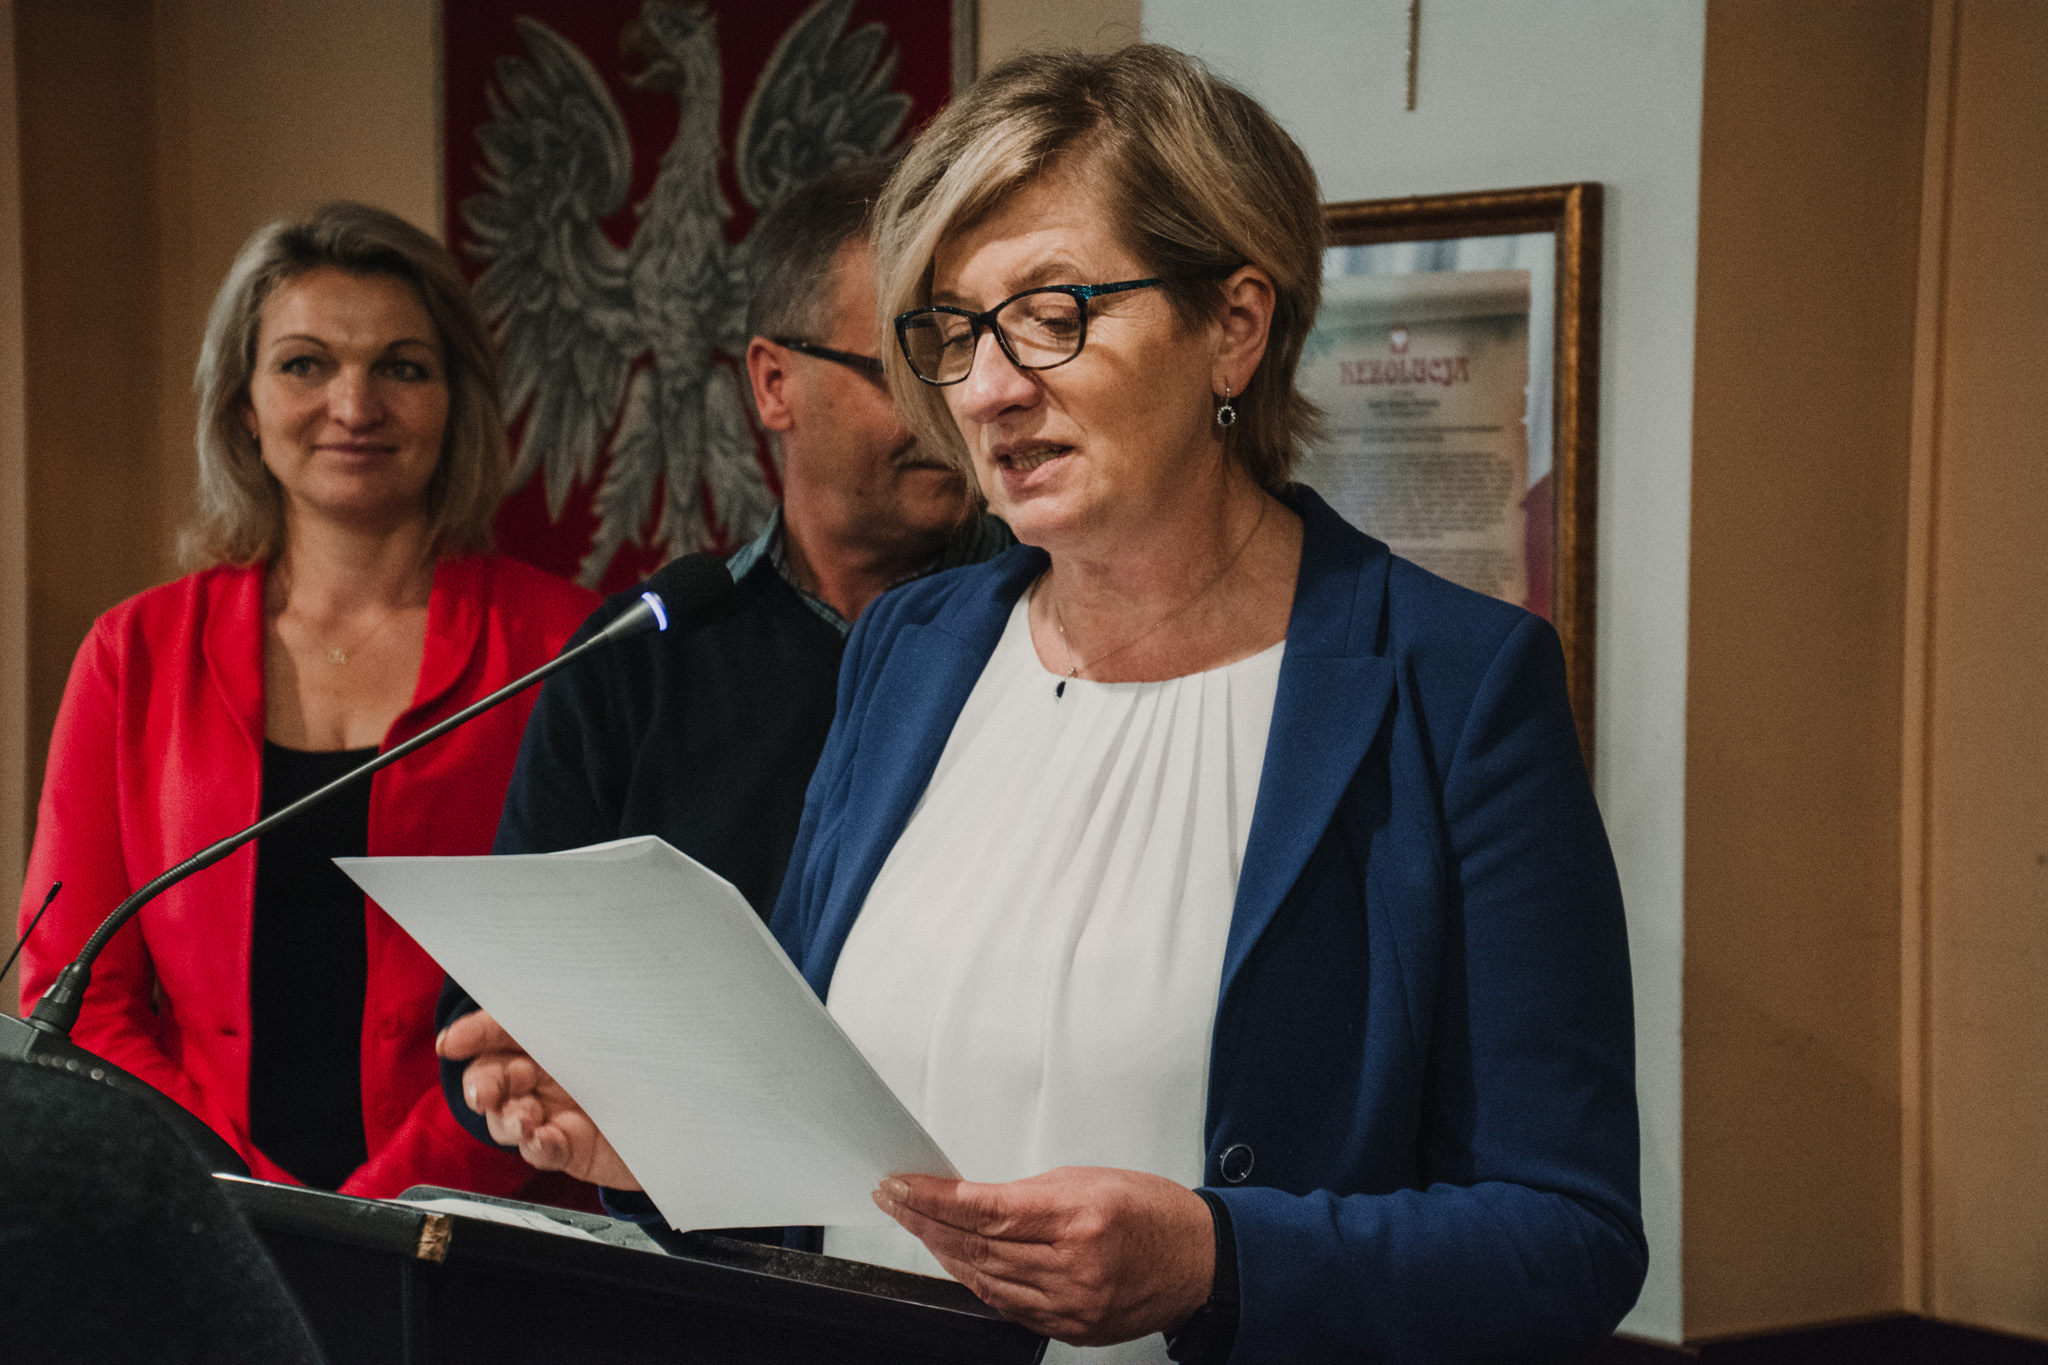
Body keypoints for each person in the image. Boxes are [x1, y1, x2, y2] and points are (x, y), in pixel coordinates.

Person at [458, 47, 1646, 1364]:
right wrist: (661, 1149)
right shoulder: (912, 648)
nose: (986, 387)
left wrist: (1215, 1261)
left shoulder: (1452, 684)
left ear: (1234, 327)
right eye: (953, 331)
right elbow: (820, 1141)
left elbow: (1569, 1235)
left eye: (1051, 312)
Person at [17, 202, 600, 1201]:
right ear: (244, 403)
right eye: (304, 364)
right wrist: (239, 1199)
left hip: (485, 1222)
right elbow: (78, 994)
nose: (354, 404)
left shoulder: (569, 646)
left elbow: (578, 986)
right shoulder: (131, 654)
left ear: (455, 400)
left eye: (402, 367)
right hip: (201, 1217)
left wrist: (371, 1218)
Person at [434, 163, 1007, 1154]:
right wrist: (527, 1073)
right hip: (699, 1216)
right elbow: (489, 1018)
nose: (949, 407)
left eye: (958, 359)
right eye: (899, 370)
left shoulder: (1053, 638)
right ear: (774, 383)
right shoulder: (639, 656)